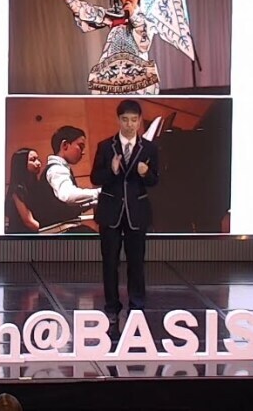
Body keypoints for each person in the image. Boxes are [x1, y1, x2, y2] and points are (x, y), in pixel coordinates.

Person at [90, 99, 160, 338]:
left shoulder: (149, 148)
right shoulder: (105, 146)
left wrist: (146, 173)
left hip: (136, 212)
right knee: (110, 263)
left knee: (136, 264)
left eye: (134, 120)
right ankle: (111, 308)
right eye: (125, 120)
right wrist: (111, 170)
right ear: (118, 120)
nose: (130, 125)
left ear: (139, 121)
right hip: (110, 212)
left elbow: (155, 180)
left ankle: (137, 307)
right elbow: (95, 178)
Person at [56, 0, 159, 95]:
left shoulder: (146, 18)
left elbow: (144, 43)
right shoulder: (113, 15)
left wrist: (133, 15)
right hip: (112, 65)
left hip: (136, 66)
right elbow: (91, 13)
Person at [43, 125, 101, 211]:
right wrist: (101, 192)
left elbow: (67, 207)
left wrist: (95, 201)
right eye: (80, 146)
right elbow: (68, 196)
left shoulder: (59, 168)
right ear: (65, 145)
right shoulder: (56, 169)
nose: (83, 152)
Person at [5, 147, 44, 233]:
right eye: (33, 160)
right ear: (22, 164)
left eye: (38, 159)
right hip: (20, 236)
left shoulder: (35, 185)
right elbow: (29, 222)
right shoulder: (17, 189)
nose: (38, 163)